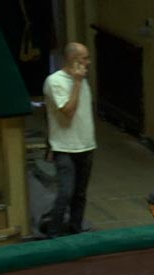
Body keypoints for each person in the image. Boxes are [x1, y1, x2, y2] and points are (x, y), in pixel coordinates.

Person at [42, 42, 97, 238]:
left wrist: (79, 81)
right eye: (84, 58)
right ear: (73, 60)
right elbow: (68, 111)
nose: (88, 62)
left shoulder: (82, 80)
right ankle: (54, 233)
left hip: (86, 145)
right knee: (66, 192)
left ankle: (76, 229)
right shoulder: (54, 81)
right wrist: (76, 83)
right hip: (64, 147)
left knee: (80, 194)